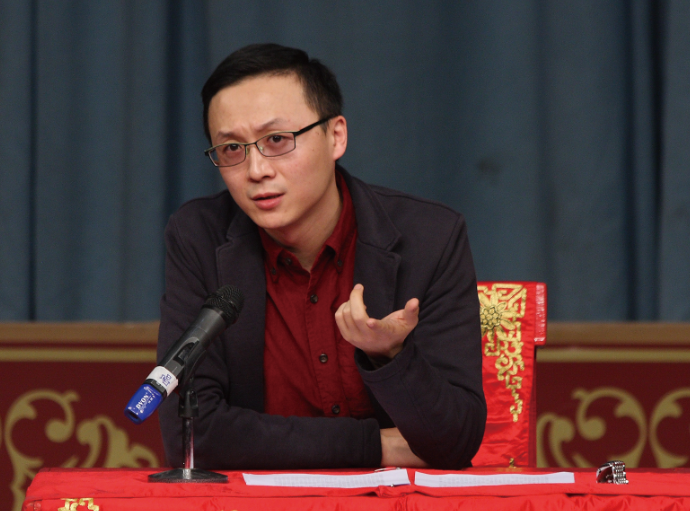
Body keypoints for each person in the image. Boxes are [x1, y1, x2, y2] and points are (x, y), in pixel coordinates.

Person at [157, 43, 486, 470]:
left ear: (336, 137)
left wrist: (391, 358)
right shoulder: (199, 237)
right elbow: (192, 436)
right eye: (232, 149)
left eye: (277, 140)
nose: (256, 170)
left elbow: (456, 440)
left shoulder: (430, 238)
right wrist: (375, 446)